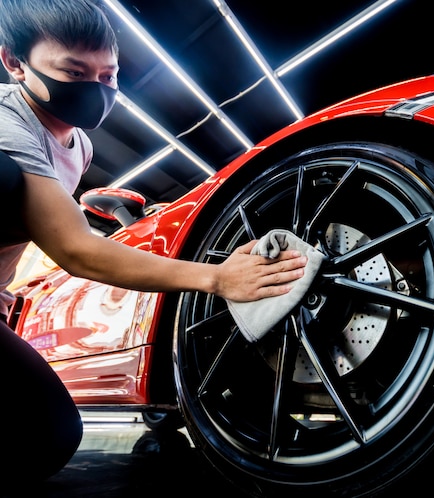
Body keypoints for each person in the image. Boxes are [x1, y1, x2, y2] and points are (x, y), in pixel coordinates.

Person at [0, 0, 307, 484]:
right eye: (74, 71)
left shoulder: (80, 145)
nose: (95, 90)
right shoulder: (6, 124)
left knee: (47, 438)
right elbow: (76, 249)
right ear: (14, 63)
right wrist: (218, 277)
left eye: (108, 76)